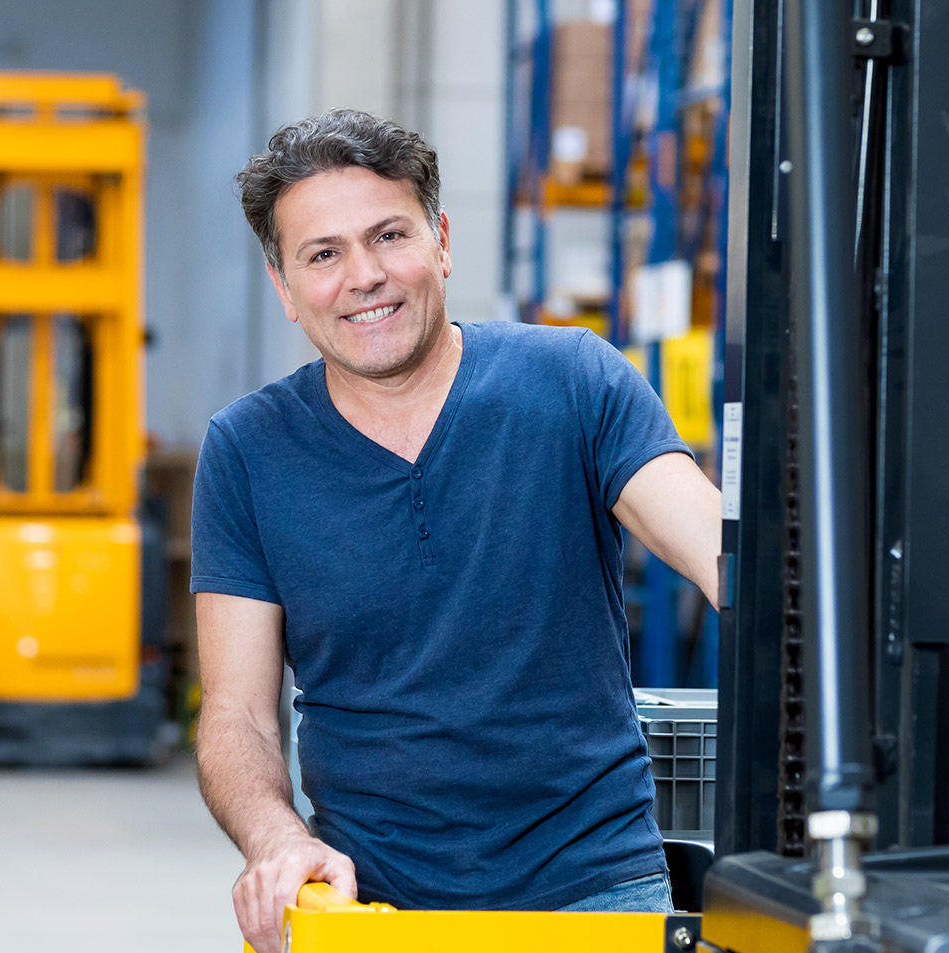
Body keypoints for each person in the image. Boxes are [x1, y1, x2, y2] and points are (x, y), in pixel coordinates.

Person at [192, 108, 722, 953]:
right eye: (323, 254)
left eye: (389, 235)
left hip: (595, 889)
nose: (364, 275)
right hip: (369, 903)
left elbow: (725, 555)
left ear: (441, 241)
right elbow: (240, 716)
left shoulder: (573, 381)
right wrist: (279, 841)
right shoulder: (247, 450)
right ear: (286, 290)